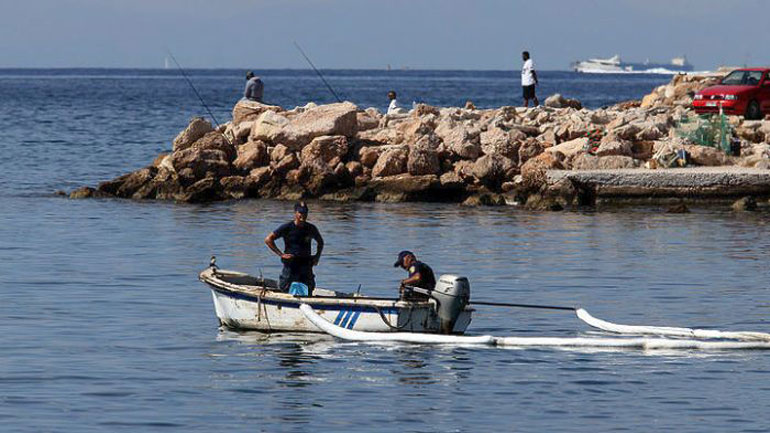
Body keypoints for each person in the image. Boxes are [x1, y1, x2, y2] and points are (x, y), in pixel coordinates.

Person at [264, 202, 324, 294]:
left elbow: (320, 242)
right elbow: (268, 239)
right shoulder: (287, 227)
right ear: (295, 213)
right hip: (291, 263)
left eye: (305, 213)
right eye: (300, 213)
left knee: (308, 289)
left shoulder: (311, 228)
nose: (303, 215)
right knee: (286, 287)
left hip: (306, 263)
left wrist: (317, 256)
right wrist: (281, 254)